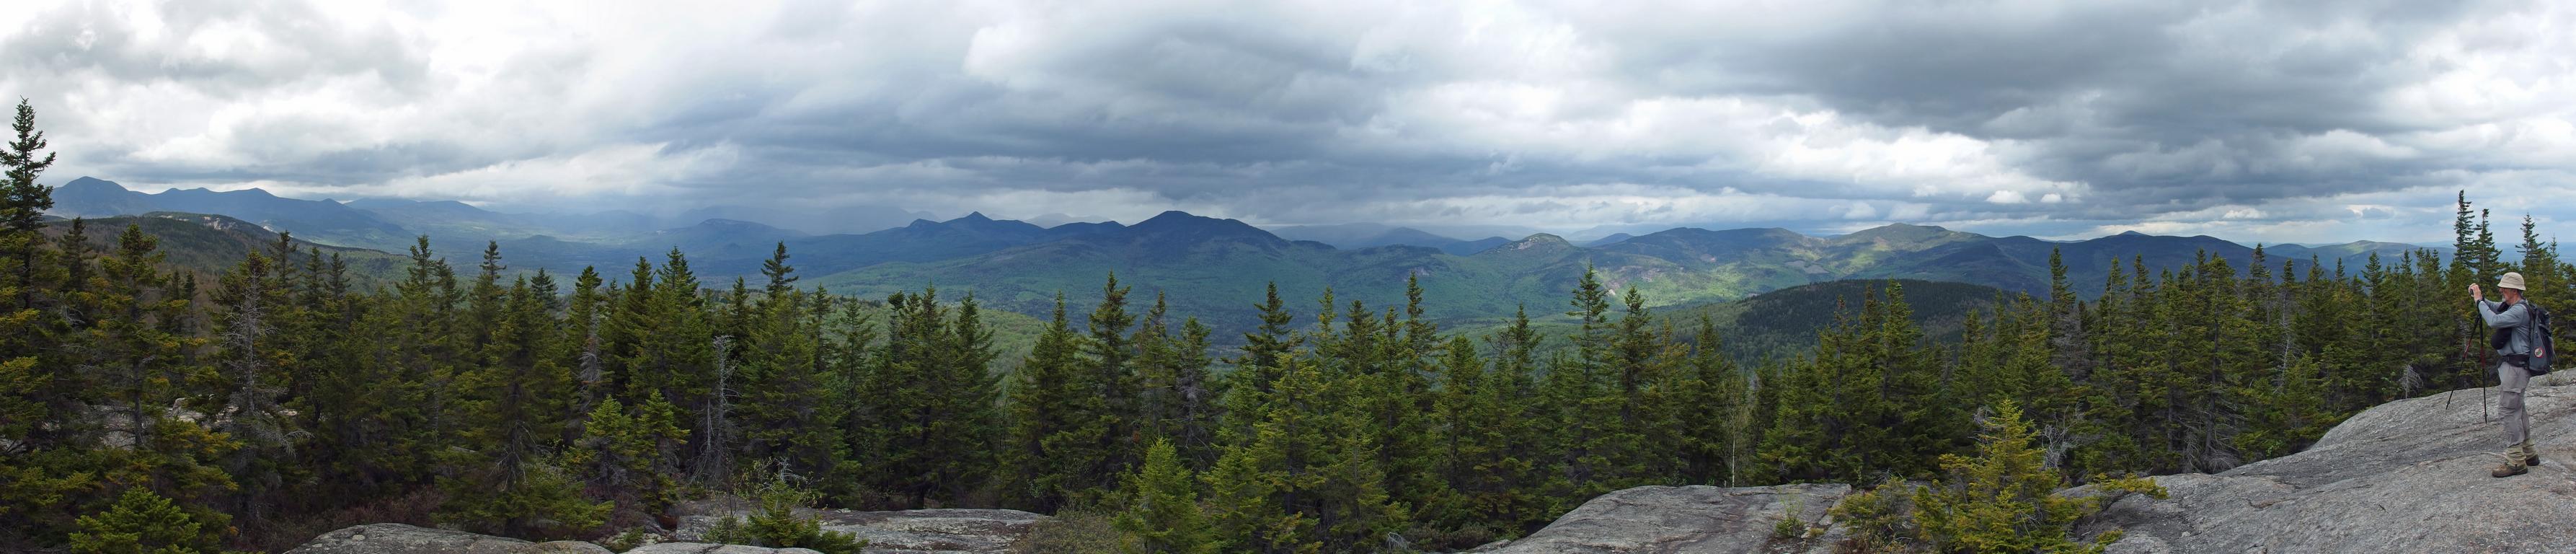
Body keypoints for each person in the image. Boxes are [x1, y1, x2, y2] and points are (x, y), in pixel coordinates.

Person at [2476, 271, 2543, 477]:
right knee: (2518, 409)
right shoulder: (2517, 306)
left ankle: (2516, 461)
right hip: (2515, 367)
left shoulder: (2518, 311)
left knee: (2507, 411)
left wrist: (2479, 302)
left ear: (2514, 290)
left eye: (2504, 288)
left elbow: (2494, 321)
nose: (2501, 290)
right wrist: (2480, 298)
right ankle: (2528, 452)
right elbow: (2495, 307)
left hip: (2516, 368)